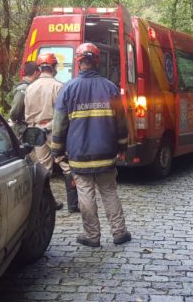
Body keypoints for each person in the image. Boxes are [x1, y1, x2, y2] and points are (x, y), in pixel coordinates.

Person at [51, 43, 131, 248]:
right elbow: (121, 121)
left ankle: (92, 236)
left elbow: (59, 124)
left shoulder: (68, 88)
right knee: (109, 191)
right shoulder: (110, 87)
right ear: (97, 61)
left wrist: (57, 150)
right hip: (106, 151)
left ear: (78, 63)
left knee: (85, 192)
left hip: (80, 153)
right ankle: (119, 232)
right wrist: (122, 146)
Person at [25, 52, 78, 213]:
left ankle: (46, 204)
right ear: (54, 67)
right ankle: (73, 205)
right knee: (66, 166)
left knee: (44, 169)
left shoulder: (30, 88)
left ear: (40, 68)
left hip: (36, 132)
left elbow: (27, 114)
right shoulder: (59, 86)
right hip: (54, 131)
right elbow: (64, 113)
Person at [9, 61, 40, 138]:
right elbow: (15, 110)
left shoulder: (28, 87)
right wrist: (13, 119)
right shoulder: (23, 89)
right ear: (35, 72)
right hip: (22, 129)